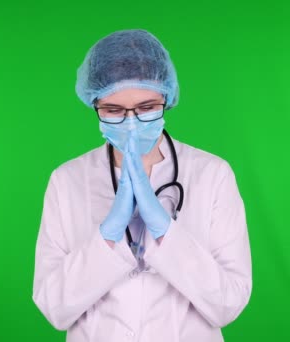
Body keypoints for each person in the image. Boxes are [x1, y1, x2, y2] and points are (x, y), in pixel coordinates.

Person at [32, 29, 252, 342]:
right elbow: (54, 308)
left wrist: (165, 230)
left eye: (147, 107)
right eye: (113, 110)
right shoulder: (67, 181)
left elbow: (228, 304)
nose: (131, 123)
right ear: (95, 104)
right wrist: (107, 236)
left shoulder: (212, 174)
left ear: (167, 98)